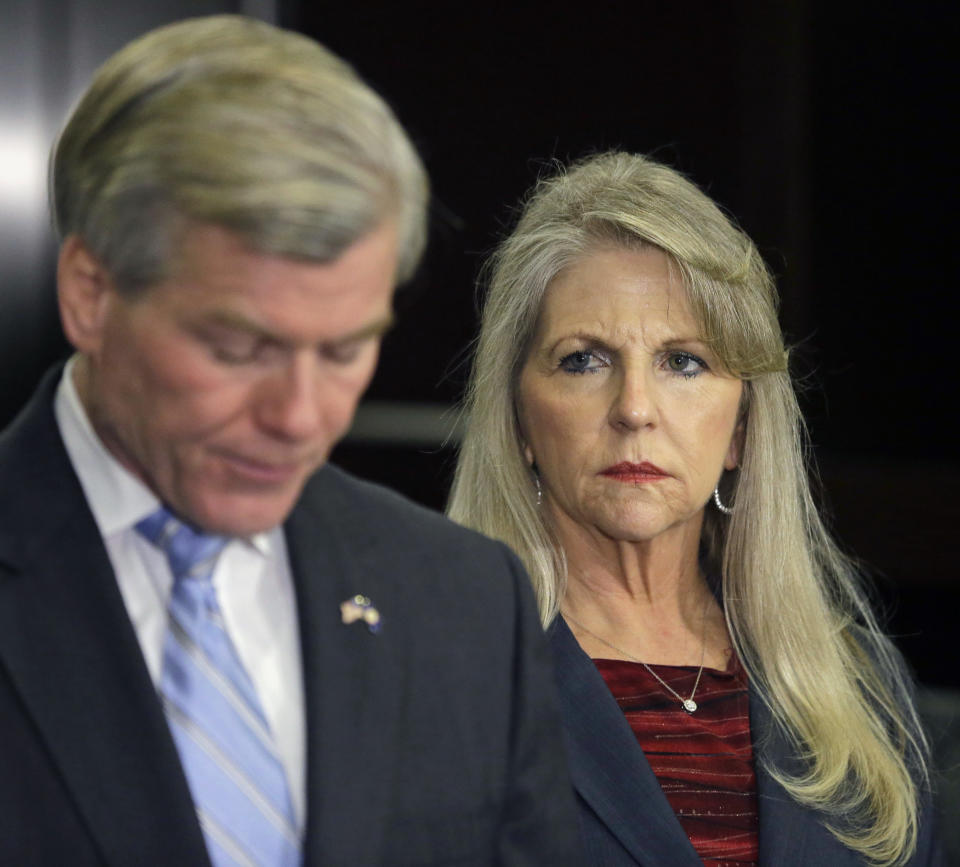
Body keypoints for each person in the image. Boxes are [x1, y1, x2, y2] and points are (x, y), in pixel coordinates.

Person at [0, 16, 581, 866]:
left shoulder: (464, 603)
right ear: (91, 292)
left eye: (345, 350)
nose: (302, 416)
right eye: (240, 349)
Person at [448, 151, 942, 866]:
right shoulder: (439, 678)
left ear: (741, 425)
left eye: (684, 361)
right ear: (520, 418)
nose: (635, 409)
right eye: (584, 358)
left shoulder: (861, 692)